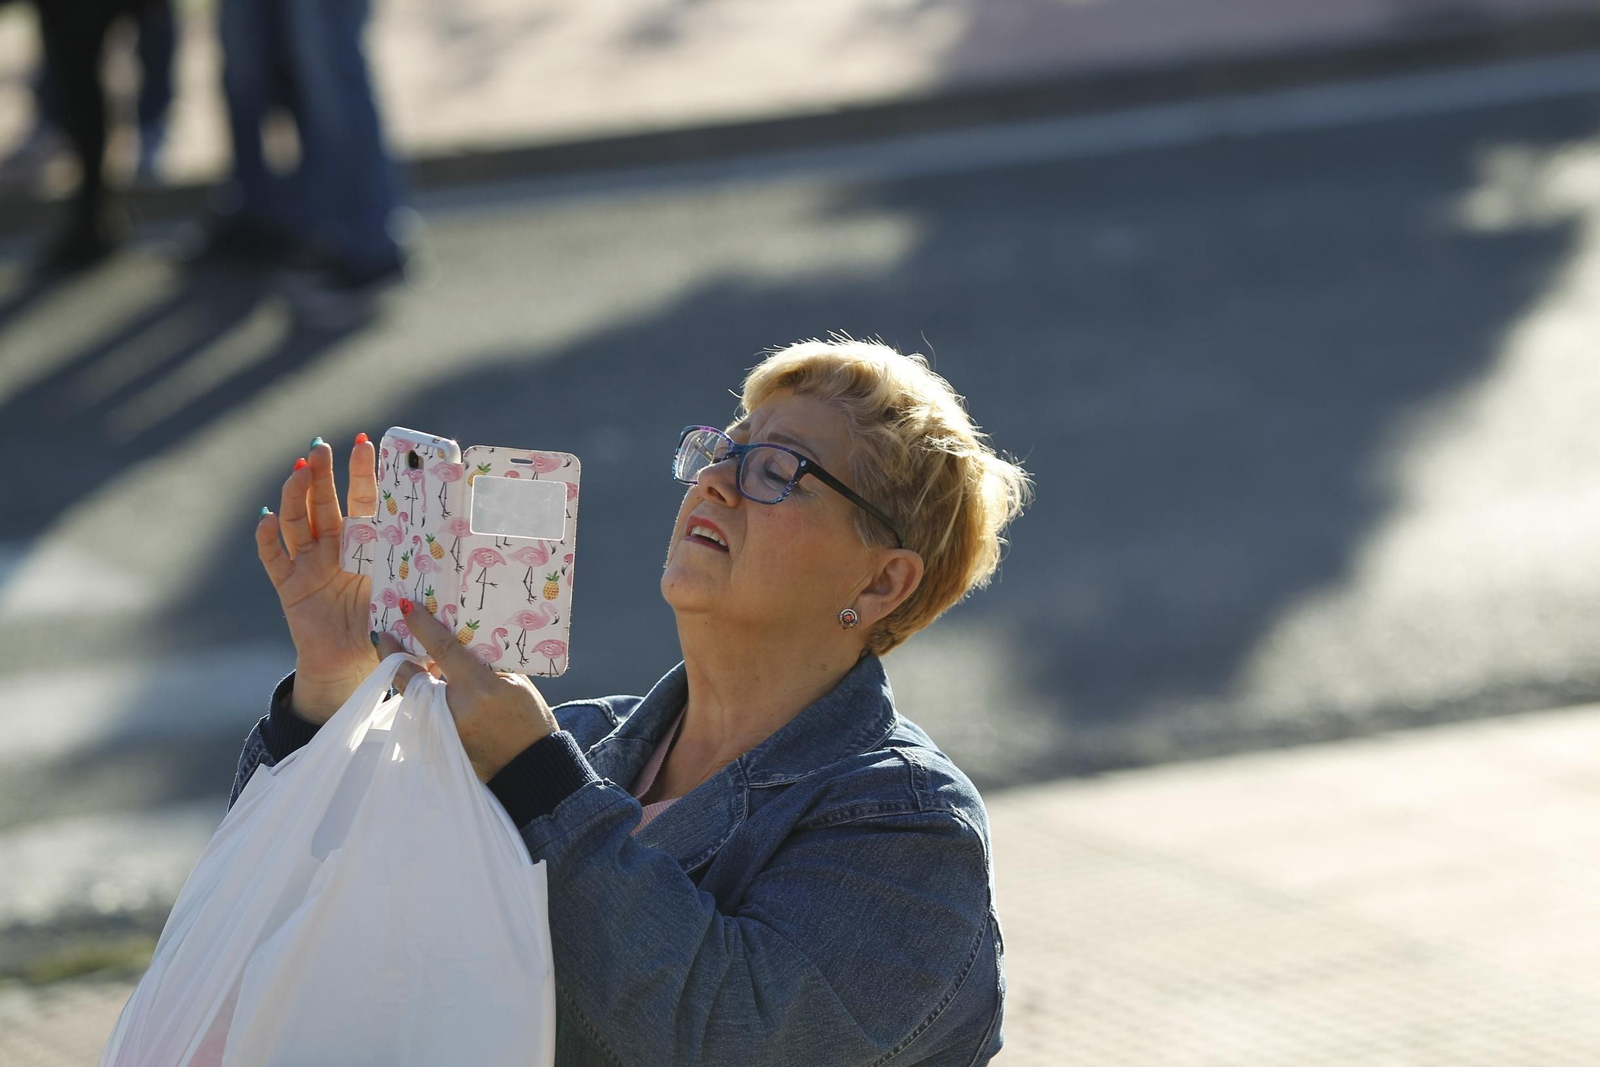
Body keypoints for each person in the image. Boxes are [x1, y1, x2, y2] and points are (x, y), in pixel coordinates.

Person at [235, 338, 1032, 1064]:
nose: (715, 481)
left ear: (882, 580)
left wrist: (540, 785)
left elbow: (730, 1038)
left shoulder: (909, 823)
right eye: (725, 448)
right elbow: (288, 915)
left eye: (778, 469)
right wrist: (330, 683)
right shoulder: (573, 739)